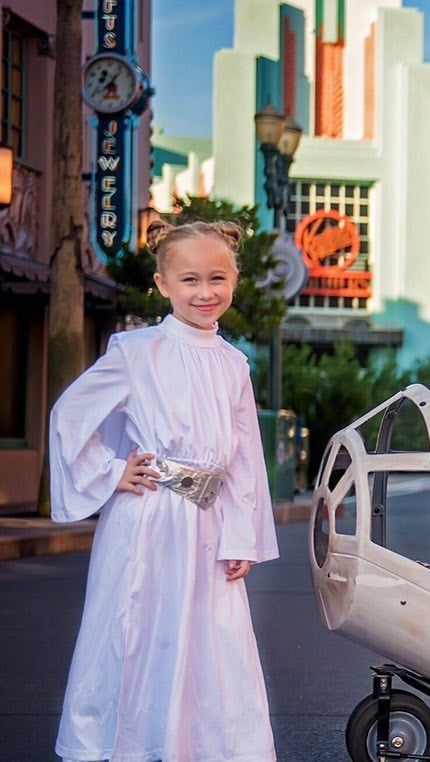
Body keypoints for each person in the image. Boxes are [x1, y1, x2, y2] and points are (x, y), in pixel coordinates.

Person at [50, 218, 279, 762]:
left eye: (217, 279)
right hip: (147, 521)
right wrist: (111, 473)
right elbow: (70, 416)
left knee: (210, 640)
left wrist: (242, 536)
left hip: (208, 523)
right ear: (163, 284)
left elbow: (245, 457)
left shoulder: (233, 363)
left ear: (234, 280)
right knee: (135, 630)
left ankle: (197, 746)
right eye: (191, 280)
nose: (205, 292)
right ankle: (123, 744)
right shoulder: (137, 351)